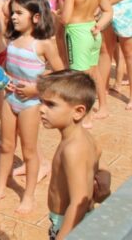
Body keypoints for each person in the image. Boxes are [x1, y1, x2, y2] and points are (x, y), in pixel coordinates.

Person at [0, 0, 62, 214]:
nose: (13, 17)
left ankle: (28, 195)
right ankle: (0, 187)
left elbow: (60, 74)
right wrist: (5, 80)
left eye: (19, 13)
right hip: (10, 99)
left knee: (29, 151)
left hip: (30, 103)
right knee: (6, 146)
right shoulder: (12, 39)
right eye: (13, 12)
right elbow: (9, 69)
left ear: (37, 17)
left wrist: (36, 88)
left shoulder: (44, 45)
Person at [37, 71, 105, 240]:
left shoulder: (72, 149)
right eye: (41, 102)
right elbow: (96, 164)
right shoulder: (85, 138)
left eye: (50, 104)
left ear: (78, 112)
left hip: (69, 224)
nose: (41, 109)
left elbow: (78, 203)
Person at [61, 0, 117, 126]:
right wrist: (99, 25)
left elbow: (66, 19)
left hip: (78, 34)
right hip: (93, 31)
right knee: (94, 71)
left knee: (80, 76)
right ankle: (103, 106)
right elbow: (109, 11)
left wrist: (57, 12)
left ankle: (86, 116)